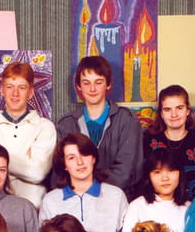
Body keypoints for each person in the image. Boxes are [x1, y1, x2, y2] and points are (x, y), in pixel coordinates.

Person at [41, 133, 128, 232]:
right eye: (71, 158)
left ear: (93, 158)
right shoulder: (50, 200)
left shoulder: (116, 196)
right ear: (64, 165)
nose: (80, 162)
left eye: (84, 155)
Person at [0, 61, 56, 208]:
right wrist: (25, 161)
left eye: (21, 88)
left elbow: (38, 173)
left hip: (33, 209)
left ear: (30, 92)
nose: (15, 93)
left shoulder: (45, 127)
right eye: (9, 87)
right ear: (2, 90)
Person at [54, 55, 143, 197]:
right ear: (78, 86)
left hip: (117, 198)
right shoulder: (66, 124)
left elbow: (126, 172)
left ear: (108, 84)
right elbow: (59, 171)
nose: (92, 89)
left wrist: (91, 189)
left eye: (98, 82)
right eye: (86, 83)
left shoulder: (127, 120)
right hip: (77, 199)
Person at [117, 148, 189, 232]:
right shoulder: (137, 206)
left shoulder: (189, 208)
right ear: (149, 176)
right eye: (157, 172)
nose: (165, 178)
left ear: (180, 174)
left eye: (171, 171)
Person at [143, 84, 195, 200]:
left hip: (193, 204)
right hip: (156, 204)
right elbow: (142, 178)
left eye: (179, 108)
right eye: (167, 109)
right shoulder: (149, 140)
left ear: (188, 110)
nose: (174, 114)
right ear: (161, 113)